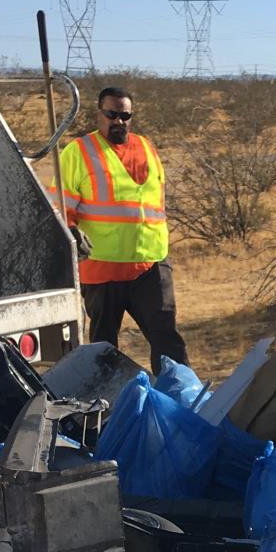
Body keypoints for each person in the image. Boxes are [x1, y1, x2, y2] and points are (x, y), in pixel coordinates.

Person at [58, 87, 188, 373]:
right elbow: (60, 206)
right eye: (112, 114)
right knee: (103, 350)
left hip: (150, 264)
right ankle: (105, 410)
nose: (119, 121)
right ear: (99, 115)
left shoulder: (146, 148)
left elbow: (156, 202)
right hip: (102, 270)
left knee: (168, 342)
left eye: (125, 115)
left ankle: (182, 406)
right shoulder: (78, 152)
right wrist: (70, 230)